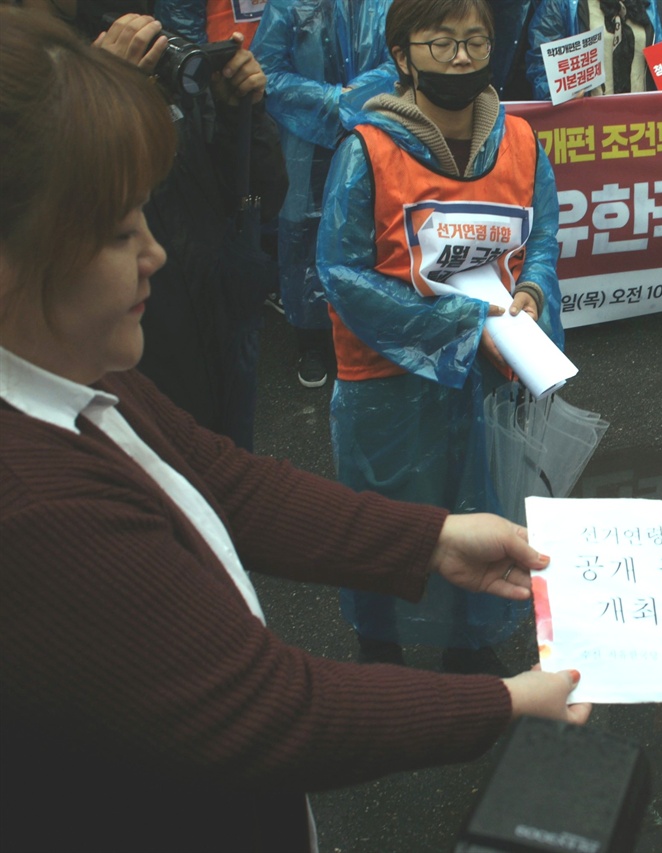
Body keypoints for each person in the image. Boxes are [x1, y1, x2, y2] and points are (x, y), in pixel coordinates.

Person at [0, 12, 588, 850]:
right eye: (119, 228)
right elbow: (274, 707)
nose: (156, 254)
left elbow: (231, 483)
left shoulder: (91, 387)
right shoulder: (35, 508)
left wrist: (433, 538)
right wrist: (505, 702)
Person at [317, 0, 565, 672]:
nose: (461, 57)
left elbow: (542, 231)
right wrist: (464, 324)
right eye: (442, 42)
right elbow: (341, 273)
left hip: (488, 371)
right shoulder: (365, 150)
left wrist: (531, 293)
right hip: (389, 384)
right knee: (387, 518)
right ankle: (380, 645)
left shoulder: (517, 140)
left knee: (482, 502)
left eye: (475, 40)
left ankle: (470, 644)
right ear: (402, 56)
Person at [12, 0, 287, 450]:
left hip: (213, 330)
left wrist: (240, 111)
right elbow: (43, 217)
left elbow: (261, 196)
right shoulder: (33, 85)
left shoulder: (150, 51)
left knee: (218, 469)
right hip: (117, 356)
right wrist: (98, 100)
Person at [253, 0, 399, 388]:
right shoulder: (287, 6)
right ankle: (311, 342)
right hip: (304, 145)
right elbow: (265, 70)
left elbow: (400, 59)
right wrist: (331, 99)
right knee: (303, 240)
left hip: (370, 134)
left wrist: (352, 98)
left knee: (366, 235)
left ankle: (360, 334)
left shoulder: (384, 5)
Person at [526, 0, 662, 98]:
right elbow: (541, 62)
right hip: (587, 123)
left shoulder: (648, 4)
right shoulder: (564, 4)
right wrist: (559, 95)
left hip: (642, 119)